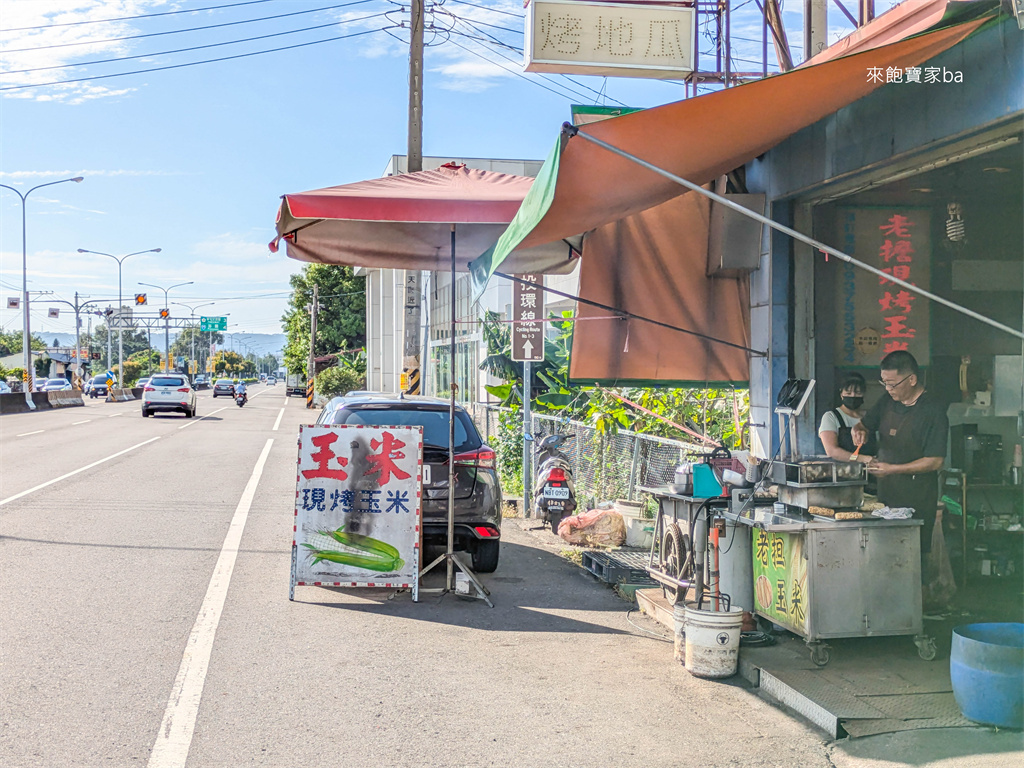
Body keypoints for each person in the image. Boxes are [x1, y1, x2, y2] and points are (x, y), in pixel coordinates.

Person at [853, 351, 948, 560]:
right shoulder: (887, 401)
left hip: (918, 498)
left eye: (893, 384)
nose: (888, 389)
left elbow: (935, 460)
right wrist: (859, 430)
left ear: (912, 379)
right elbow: (864, 424)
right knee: (884, 556)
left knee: (912, 559)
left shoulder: (933, 411)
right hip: (886, 497)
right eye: (884, 383)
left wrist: (892, 469)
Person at [819, 372, 876, 463]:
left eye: (857, 393)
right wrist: (861, 459)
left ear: (863, 394)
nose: (853, 396)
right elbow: (832, 451)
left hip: (871, 470)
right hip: (842, 472)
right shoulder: (831, 417)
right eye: (848, 393)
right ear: (841, 394)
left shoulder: (870, 417)